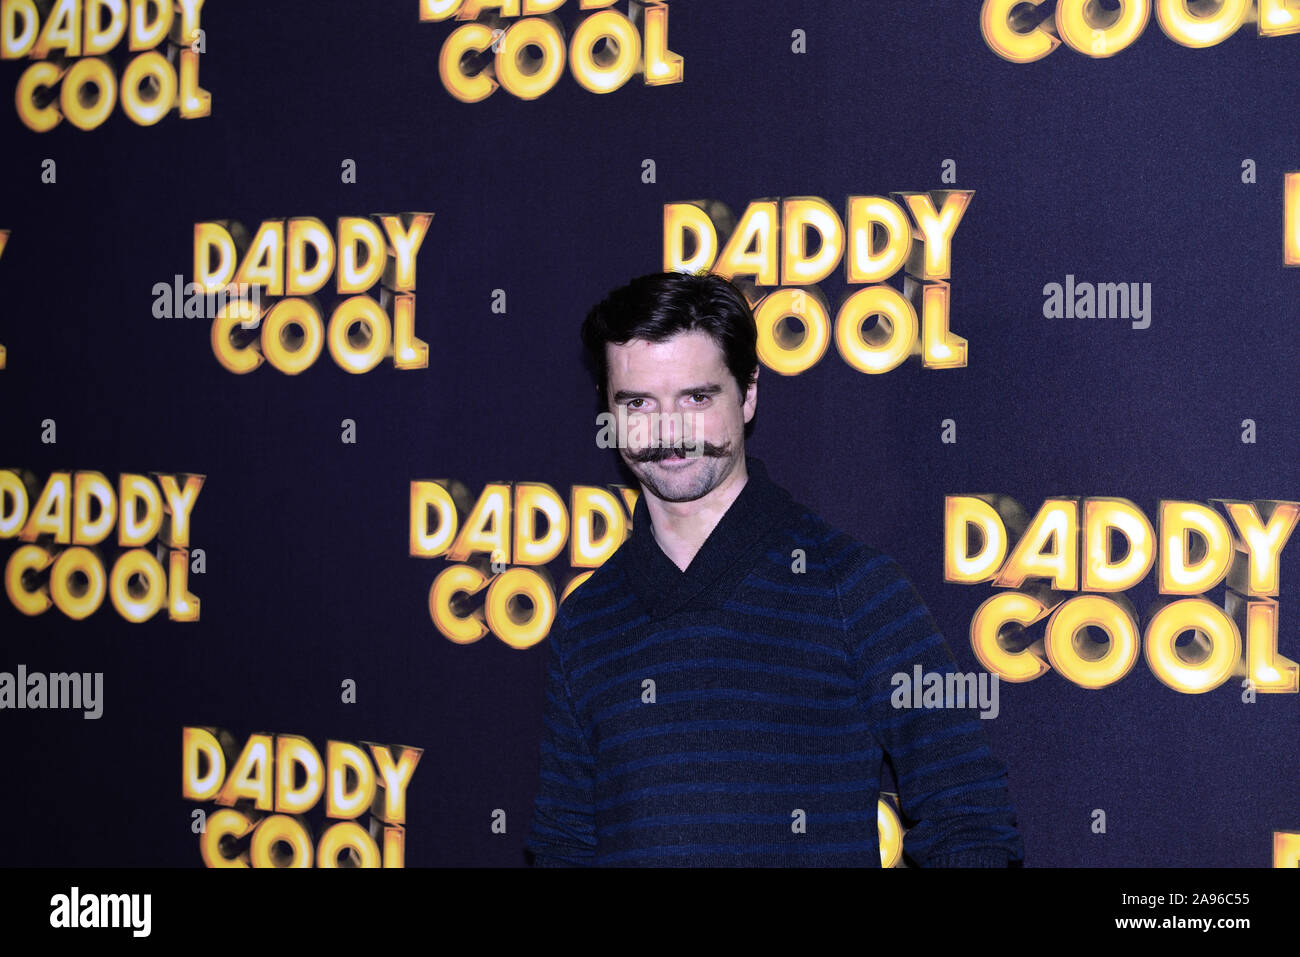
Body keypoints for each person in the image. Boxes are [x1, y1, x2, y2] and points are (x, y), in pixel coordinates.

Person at [525, 270, 1024, 867]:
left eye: (696, 398)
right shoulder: (587, 618)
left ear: (748, 395)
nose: (668, 431)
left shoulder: (853, 588)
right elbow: (565, 843)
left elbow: (969, 817)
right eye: (638, 402)